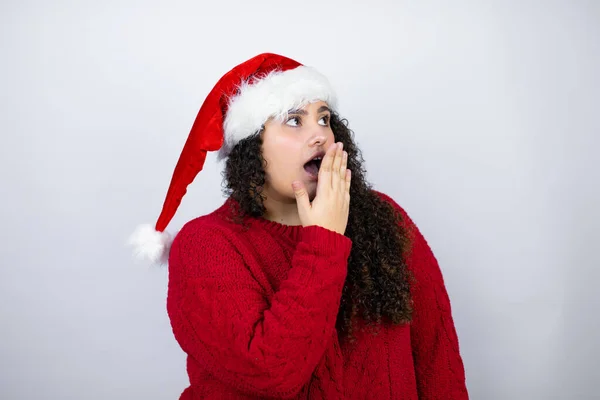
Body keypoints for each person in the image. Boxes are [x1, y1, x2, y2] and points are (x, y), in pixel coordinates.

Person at [129, 53, 469, 399]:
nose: (320, 135)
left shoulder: (382, 216)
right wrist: (324, 241)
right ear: (251, 146)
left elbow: (436, 356)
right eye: (294, 121)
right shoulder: (205, 245)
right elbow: (271, 375)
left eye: (324, 118)